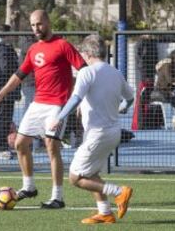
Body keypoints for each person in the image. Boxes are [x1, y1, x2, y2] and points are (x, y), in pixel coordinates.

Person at [0, 10, 86, 209]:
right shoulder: (33, 49)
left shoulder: (63, 45)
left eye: (39, 24)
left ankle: (57, 197)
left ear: (48, 22)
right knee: (20, 144)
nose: (36, 29)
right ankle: (29, 187)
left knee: (51, 146)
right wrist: (0, 95)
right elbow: (18, 75)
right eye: (33, 25)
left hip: (57, 105)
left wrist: (80, 100)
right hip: (38, 104)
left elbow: (84, 70)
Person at [49, 34, 134, 224]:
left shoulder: (87, 72)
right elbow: (130, 97)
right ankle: (105, 212)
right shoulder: (115, 72)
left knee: (75, 177)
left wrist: (59, 118)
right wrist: (124, 108)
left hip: (98, 133)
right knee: (91, 173)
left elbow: (76, 98)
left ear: (87, 53)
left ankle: (119, 192)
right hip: (113, 133)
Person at [0, 24, 21, 158]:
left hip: (10, 90)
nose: (13, 36)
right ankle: (0, 148)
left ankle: (4, 145)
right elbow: (5, 68)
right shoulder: (2, 49)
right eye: (10, 34)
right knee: (2, 118)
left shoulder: (8, 49)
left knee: (7, 119)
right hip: (4, 90)